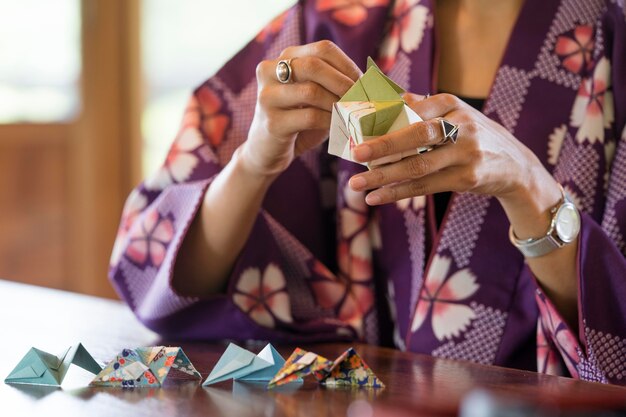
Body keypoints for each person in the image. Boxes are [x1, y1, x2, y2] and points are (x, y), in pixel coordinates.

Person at [110, 0, 626, 384]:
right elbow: (163, 273)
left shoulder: (612, 33)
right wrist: (254, 163)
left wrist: (529, 187)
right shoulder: (340, 23)